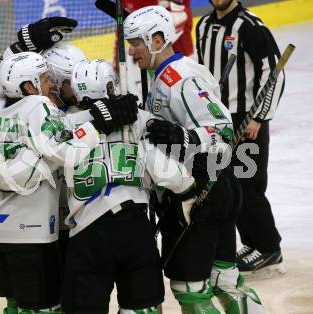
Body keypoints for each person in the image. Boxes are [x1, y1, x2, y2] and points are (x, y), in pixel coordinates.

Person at [0, 17, 138, 314]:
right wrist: (101, 120)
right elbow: (60, 146)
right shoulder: (41, 108)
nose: (70, 88)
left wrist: (17, 48)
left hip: (23, 224)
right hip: (38, 228)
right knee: (45, 305)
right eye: (59, 80)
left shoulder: (1, 102)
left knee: (26, 302)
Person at [124, 5, 265, 313]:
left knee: (190, 289)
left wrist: (184, 137)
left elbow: (224, 131)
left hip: (202, 191)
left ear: (157, 40)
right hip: (216, 186)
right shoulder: (168, 74)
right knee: (225, 279)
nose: (131, 51)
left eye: (136, 42)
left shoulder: (180, 79)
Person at [61, 59, 199, 314]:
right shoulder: (137, 118)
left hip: (87, 233)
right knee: (142, 309)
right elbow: (167, 172)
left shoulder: (61, 125)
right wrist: (187, 192)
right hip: (135, 228)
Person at [196, 0, 285, 275]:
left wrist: (259, 117)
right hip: (216, 120)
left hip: (247, 121)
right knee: (227, 187)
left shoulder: (250, 26)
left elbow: (274, 73)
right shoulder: (203, 26)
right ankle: (251, 242)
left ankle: (269, 246)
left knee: (249, 185)